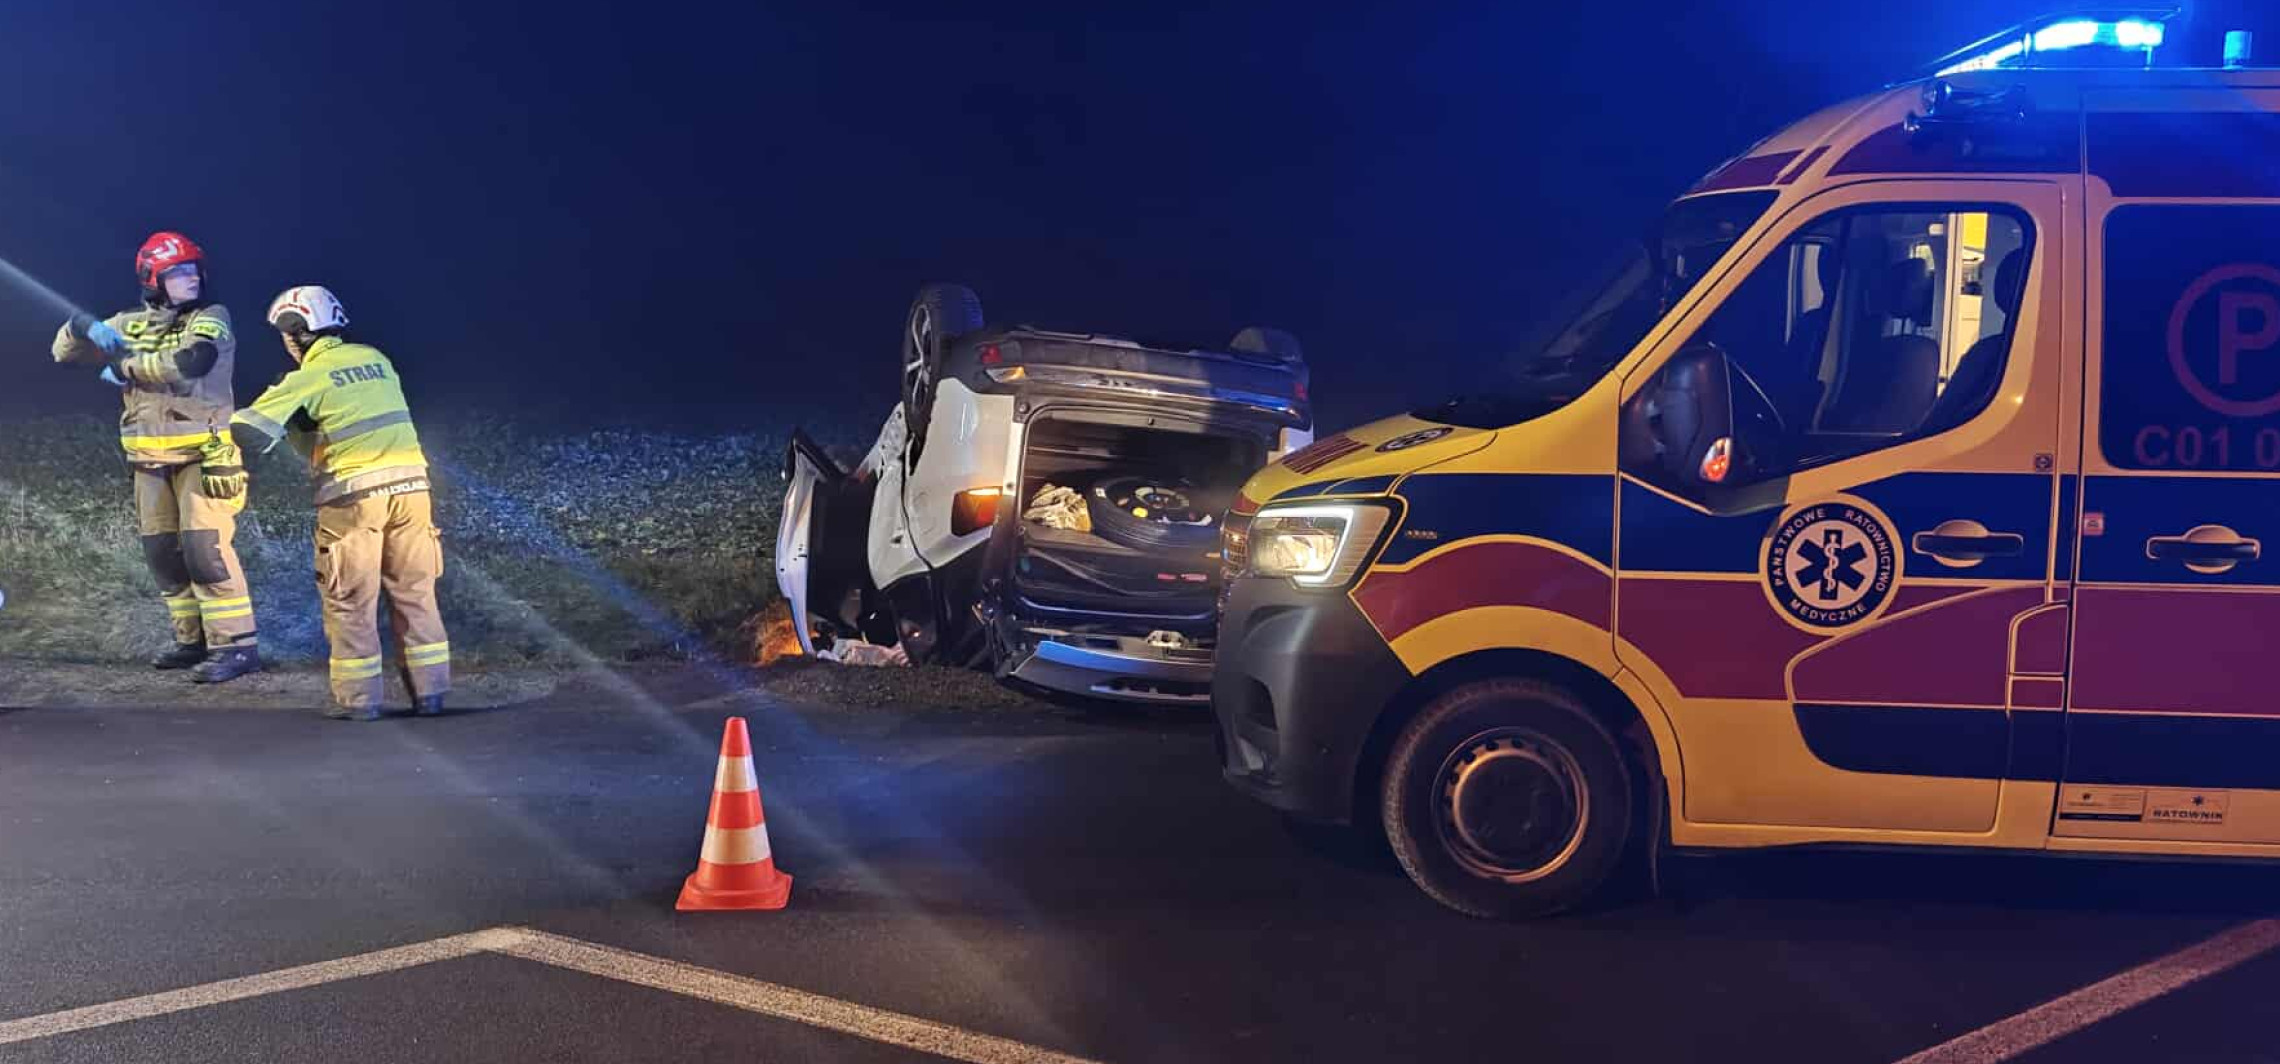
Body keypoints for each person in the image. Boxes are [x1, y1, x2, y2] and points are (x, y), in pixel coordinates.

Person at [229, 285, 449, 721]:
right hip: (413, 491)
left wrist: (273, 407)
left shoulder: (309, 375)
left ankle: (360, 702)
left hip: (354, 498)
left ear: (296, 332)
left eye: (285, 335)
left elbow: (248, 431)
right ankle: (431, 695)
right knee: (416, 593)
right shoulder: (376, 360)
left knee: (350, 598)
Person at [50, 232, 261, 683]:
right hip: (147, 460)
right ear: (153, 279)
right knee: (162, 553)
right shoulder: (128, 322)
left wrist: (126, 367)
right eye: (178, 273)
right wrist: (82, 325)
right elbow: (64, 356)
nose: (191, 279)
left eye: (193, 270)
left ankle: (238, 646)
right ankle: (192, 641)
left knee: (207, 553)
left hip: (203, 456)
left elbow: (192, 362)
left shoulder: (211, 317)